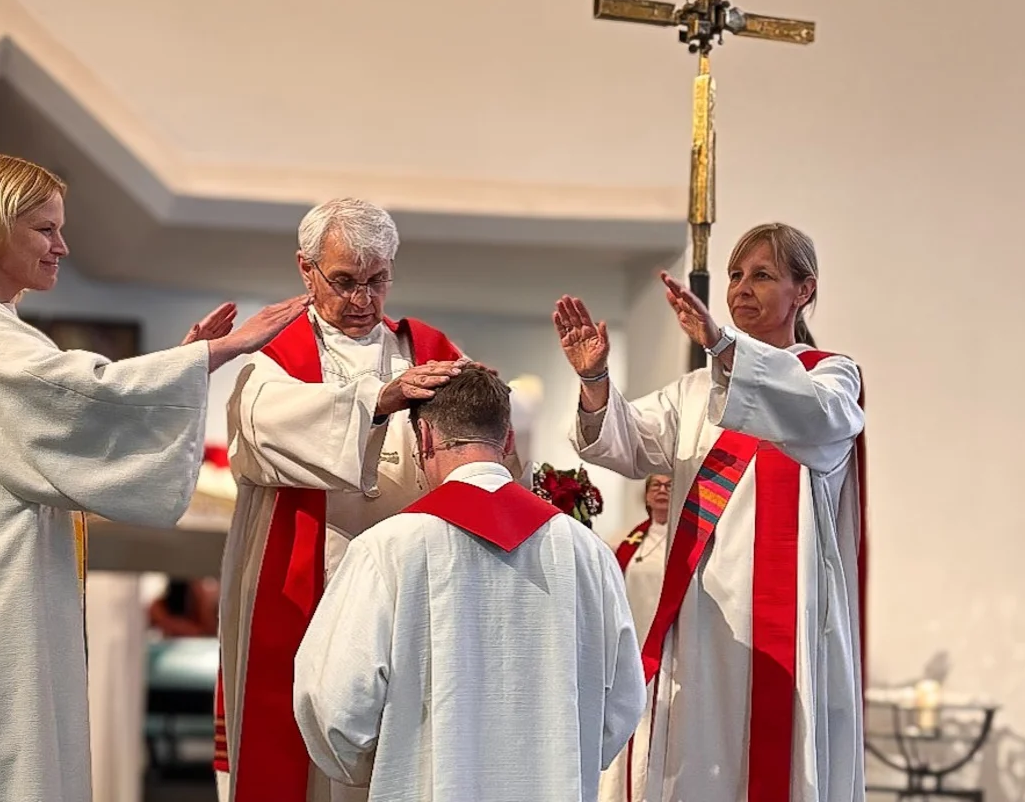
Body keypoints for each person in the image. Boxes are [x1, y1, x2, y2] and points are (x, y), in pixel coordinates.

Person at [0, 153, 308, 802]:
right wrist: (213, 356)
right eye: (44, 229)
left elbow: (71, 406)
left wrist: (181, 366)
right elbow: (71, 397)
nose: (62, 246)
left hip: (6, 572)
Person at [215, 198, 523, 802]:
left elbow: (478, 448)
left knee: (400, 740)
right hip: (307, 575)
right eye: (345, 281)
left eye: (377, 280)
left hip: (409, 582)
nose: (362, 300)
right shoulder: (274, 356)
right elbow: (257, 435)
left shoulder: (428, 349)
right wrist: (376, 401)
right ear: (307, 271)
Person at [555, 221, 868, 802]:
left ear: (804, 290)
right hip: (703, 611)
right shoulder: (694, 390)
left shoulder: (829, 373)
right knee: (697, 759)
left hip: (790, 617)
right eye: (735, 275)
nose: (742, 288)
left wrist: (726, 347)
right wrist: (595, 378)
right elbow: (624, 442)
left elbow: (817, 423)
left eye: (763, 276)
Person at [293, 366, 646, 802]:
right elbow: (624, 700)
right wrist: (566, 757)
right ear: (509, 440)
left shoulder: (386, 548)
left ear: (423, 438)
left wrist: (389, 762)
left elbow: (333, 702)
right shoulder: (587, 553)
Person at [599, 474, 671, 802]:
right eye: (655, 484)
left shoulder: (691, 540)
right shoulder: (625, 541)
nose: (661, 490)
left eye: (669, 484)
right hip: (636, 649)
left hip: (672, 650)